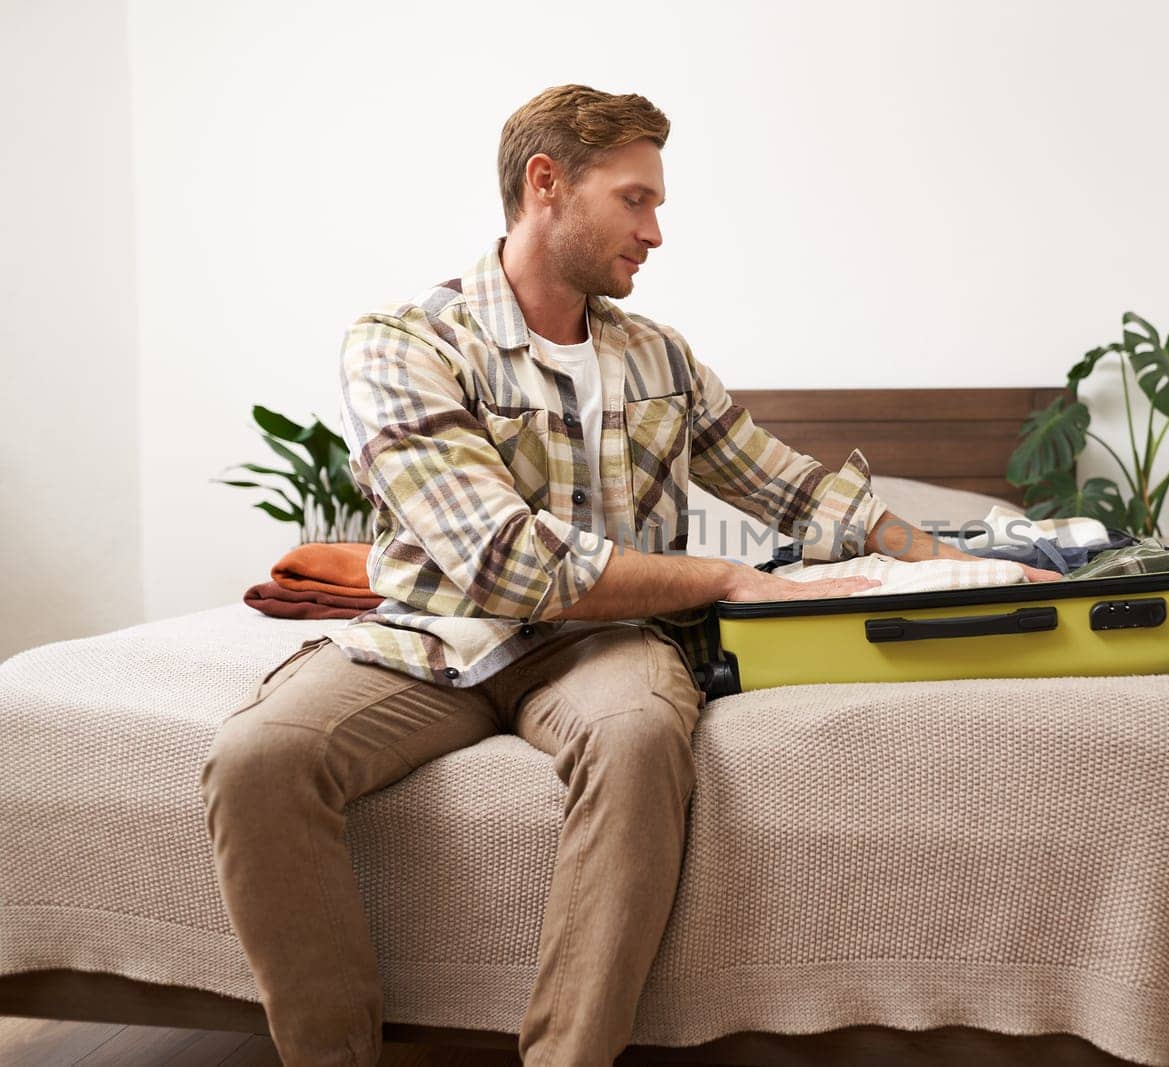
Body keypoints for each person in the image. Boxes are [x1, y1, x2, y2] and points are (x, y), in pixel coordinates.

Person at [199, 83, 1057, 1067]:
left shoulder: (661, 357)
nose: (655, 231)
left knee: (642, 730)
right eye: (636, 199)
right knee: (258, 754)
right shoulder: (403, 344)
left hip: (606, 643)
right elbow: (503, 561)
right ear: (546, 184)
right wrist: (723, 581)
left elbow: (788, 487)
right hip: (440, 632)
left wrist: (948, 559)